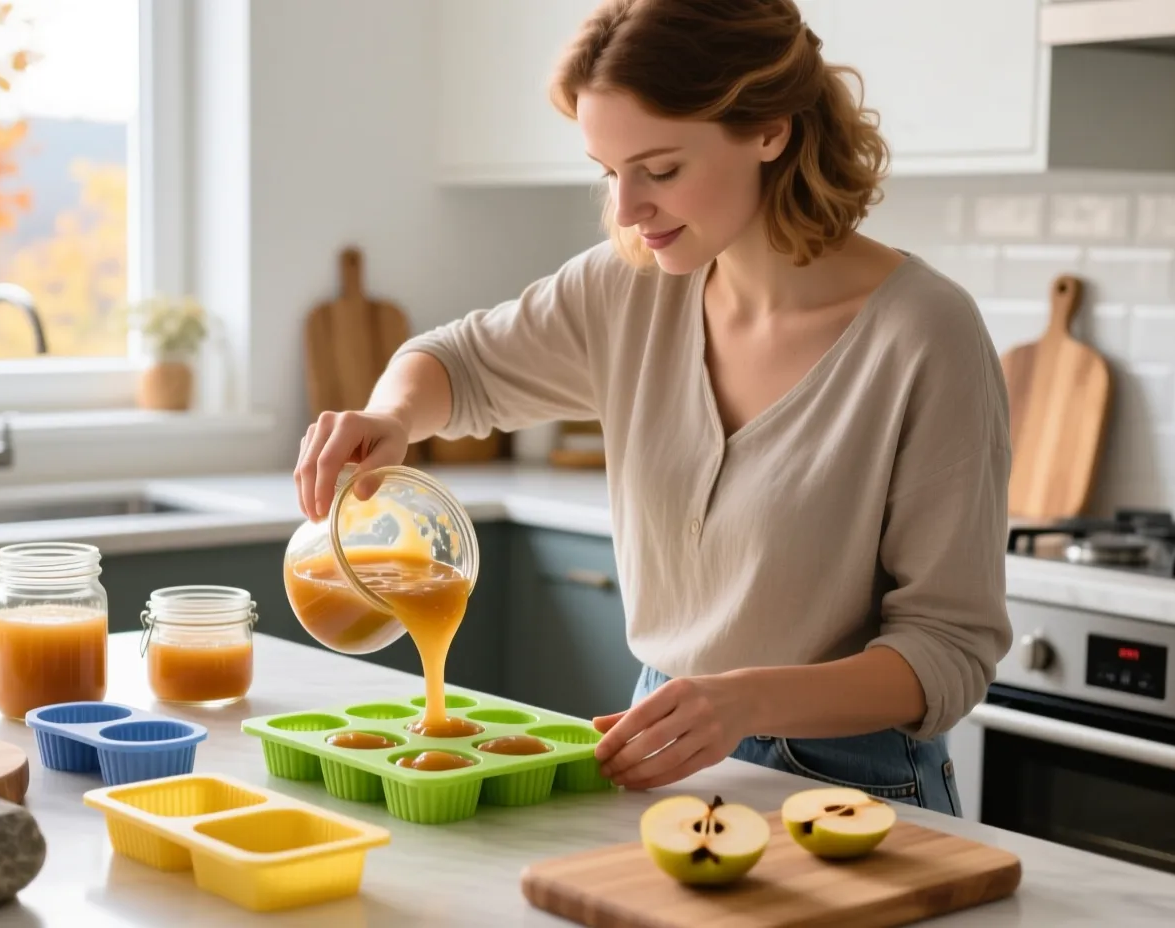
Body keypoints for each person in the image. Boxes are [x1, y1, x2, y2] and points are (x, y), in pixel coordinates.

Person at [291, 0, 1011, 817]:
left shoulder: (924, 335)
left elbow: (949, 653)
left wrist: (746, 703)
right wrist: (392, 418)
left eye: (660, 170)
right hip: (664, 749)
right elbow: (455, 362)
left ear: (769, 130)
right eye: (609, 171)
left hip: (855, 785)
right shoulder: (628, 286)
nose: (627, 207)